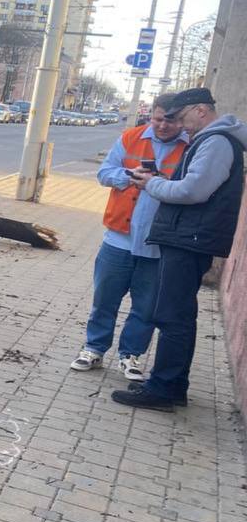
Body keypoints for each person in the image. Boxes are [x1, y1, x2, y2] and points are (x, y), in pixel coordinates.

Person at [113, 87, 246, 410]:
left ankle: (162, 389)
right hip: (190, 236)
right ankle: (172, 386)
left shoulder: (216, 142)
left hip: (190, 238)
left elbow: (193, 191)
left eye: (182, 117)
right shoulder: (212, 139)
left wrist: (152, 184)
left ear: (201, 110)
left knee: (172, 316)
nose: (181, 126)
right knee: (179, 314)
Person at [72, 93, 187, 380]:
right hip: (118, 239)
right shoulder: (131, 137)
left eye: (171, 121)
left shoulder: (190, 147)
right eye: (158, 119)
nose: (163, 126)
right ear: (152, 115)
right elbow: (104, 173)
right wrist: (128, 175)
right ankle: (94, 348)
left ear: (182, 120)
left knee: (146, 306)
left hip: (158, 243)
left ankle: (130, 355)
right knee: (105, 298)